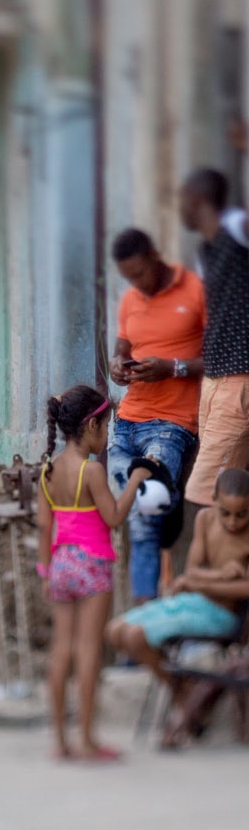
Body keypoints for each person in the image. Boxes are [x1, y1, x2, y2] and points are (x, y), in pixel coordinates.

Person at [35, 385, 153, 762]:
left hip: (61, 565)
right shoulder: (92, 471)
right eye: (106, 426)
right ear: (91, 425)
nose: (106, 436)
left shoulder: (48, 471)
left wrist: (43, 572)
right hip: (93, 564)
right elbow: (114, 518)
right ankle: (87, 741)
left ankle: (59, 741)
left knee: (61, 652)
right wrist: (135, 480)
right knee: (88, 652)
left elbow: (42, 527)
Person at [107, 467, 249, 747]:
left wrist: (197, 582)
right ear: (214, 501)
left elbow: (235, 587)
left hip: (224, 616)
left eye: (241, 514)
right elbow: (191, 572)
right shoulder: (205, 520)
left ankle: (183, 697)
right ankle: (181, 690)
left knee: (135, 635)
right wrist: (220, 576)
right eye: (226, 513)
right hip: (193, 603)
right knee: (114, 631)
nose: (232, 522)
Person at [107, 227, 205, 602]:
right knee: (134, 519)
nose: (136, 284)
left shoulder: (195, 290)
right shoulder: (131, 297)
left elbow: (224, 357)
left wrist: (172, 368)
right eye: (128, 278)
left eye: (139, 273)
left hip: (171, 425)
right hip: (127, 421)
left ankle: (143, 630)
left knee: (146, 520)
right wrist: (118, 363)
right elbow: (122, 342)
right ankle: (140, 629)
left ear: (153, 255)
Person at [179, 169, 249, 517]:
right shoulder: (204, 251)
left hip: (238, 379)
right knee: (229, 489)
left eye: (181, 197)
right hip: (215, 381)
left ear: (196, 200)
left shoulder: (236, 226)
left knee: (205, 494)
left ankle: (202, 569)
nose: (178, 206)